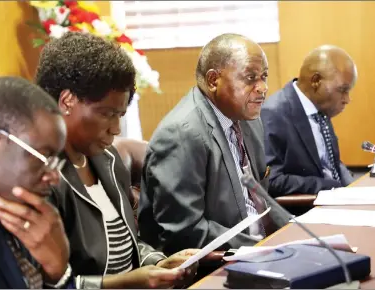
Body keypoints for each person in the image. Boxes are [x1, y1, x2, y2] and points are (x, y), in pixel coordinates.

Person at [35, 32, 198, 289]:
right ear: (67, 101)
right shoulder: (40, 176)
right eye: (106, 114)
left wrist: (158, 263)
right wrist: (127, 284)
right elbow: (45, 283)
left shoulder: (108, 161)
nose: (116, 129)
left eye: (120, 115)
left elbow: (128, 246)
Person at [138, 33, 286, 256]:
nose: (262, 87)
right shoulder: (181, 134)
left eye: (264, 76)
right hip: (218, 263)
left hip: (263, 247)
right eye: (250, 78)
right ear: (213, 80)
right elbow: (183, 231)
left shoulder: (247, 119)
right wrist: (261, 249)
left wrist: (293, 232)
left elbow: (261, 201)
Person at [0, 76, 74, 288]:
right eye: (44, 158)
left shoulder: (17, 216)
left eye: (56, 161)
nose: (54, 176)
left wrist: (57, 273)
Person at [260, 45, 356, 197]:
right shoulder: (274, 113)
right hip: (305, 209)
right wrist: (329, 187)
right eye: (343, 90)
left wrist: (354, 189)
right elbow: (271, 180)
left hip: (337, 199)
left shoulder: (320, 108)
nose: (347, 99)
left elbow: (333, 164)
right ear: (316, 81)